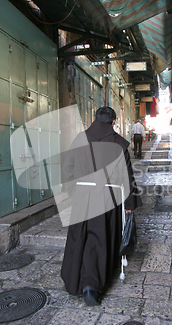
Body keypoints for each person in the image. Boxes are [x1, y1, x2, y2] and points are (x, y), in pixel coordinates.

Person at [60, 106, 142, 305]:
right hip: (108, 198)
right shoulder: (119, 143)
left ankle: (74, 281)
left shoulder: (80, 139)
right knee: (100, 238)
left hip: (82, 196)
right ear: (113, 122)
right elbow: (127, 177)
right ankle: (92, 286)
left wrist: (74, 192)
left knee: (79, 236)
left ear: (94, 119)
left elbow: (67, 169)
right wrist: (129, 203)